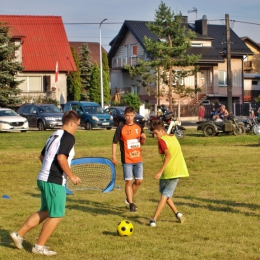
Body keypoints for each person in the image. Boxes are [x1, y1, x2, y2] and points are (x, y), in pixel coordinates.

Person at [10, 110, 81, 256]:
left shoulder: (54, 135)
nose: (77, 128)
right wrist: (71, 175)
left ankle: (18, 235)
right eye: (77, 125)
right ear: (72, 123)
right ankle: (39, 246)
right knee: (57, 215)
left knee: (46, 211)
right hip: (54, 181)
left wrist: (48, 171)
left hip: (44, 178)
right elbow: (61, 158)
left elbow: (42, 157)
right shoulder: (68, 137)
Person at [149, 120, 189, 227]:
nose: (154, 136)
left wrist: (159, 171)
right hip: (173, 171)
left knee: (164, 195)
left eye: (156, 133)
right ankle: (178, 214)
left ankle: (154, 219)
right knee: (165, 195)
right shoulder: (173, 137)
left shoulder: (162, 141)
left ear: (162, 130)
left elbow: (168, 156)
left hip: (171, 171)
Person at [112, 106, 146, 212]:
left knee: (139, 181)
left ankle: (128, 198)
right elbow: (114, 142)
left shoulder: (139, 127)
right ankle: (131, 203)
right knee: (129, 181)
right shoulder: (121, 128)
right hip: (127, 160)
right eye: (127, 116)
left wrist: (143, 138)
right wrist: (114, 156)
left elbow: (141, 143)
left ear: (134, 115)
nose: (129, 118)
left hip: (138, 159)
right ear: (124, 116)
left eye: (131, 115)